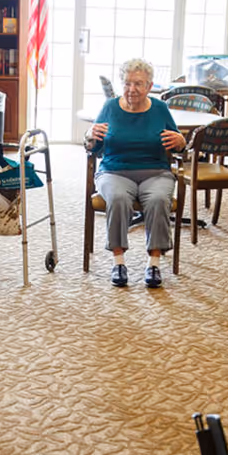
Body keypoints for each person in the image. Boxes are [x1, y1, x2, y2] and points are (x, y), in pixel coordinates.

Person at [88, 58, 186, 289]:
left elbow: (177, 145)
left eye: (139, 84)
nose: (132, 89)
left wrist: (182, 142)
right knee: (119, 198)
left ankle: (154, 264)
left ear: (150, 86)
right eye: (127, 83)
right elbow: (94, 145)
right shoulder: (110, 107)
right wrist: (89, 137)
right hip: (114, 170)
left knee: (158, 200)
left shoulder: (160, 109)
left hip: (156, 172)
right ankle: (118, 262)